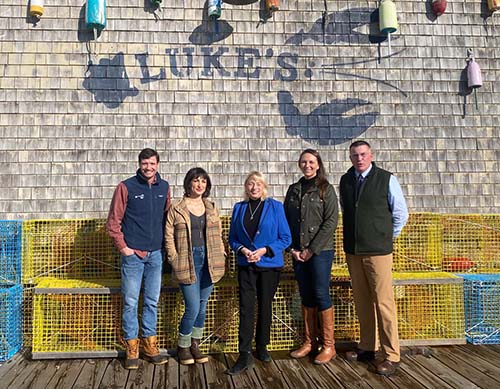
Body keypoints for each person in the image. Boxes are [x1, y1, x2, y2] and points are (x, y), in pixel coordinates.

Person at [339, 140, 408, 376]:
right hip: (354, 251)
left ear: (371, 155)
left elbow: (400, 214)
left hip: (378, 251)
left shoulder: (386, 178)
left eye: (363, 154)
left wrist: (384, 237)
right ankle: (368, 346)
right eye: (355, 155)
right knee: (362, 301)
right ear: (350, 158)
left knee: (384, 302)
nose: (359, 158)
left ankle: (391, 354)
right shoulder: (346, 181)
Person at [106, 148, 170, 369]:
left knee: (152, 301)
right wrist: (124, 248)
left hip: (155, 256)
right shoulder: (126, 187)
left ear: (158, 164)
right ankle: (131, 346)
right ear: (139, 164)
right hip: (133, 255)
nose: (148, 167)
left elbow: (167, 219)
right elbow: (113, 222)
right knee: (131, 302)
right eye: (145, 163)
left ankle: (149, 345)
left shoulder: (164, 188)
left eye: (152, 163)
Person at [226, 171, 291, 375]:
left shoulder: (276, 207)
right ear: (246, 187)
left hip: (269, 264)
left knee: (265, 305)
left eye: (258, 184)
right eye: (250, 184)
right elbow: (233, 238)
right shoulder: (239, 208)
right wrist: (243, 250)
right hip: (246, 264)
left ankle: (262, 346)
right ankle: (244, 353)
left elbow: (285, 238)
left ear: (264, 187)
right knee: (246, 308)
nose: (254, 187)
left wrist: (264, 250)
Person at [165, 167, 226, 365]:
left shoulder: (211, 207)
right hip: (187, 260)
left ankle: (195, 344)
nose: (199, 185)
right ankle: (182, 346)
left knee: (202, 306)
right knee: (191, 306)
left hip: (210, 260)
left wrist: (222, 250)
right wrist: (174, 257)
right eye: (196, 180)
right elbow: (168, 237)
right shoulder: (176, 208)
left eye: (203, 181)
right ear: (188, 183)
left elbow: (217, 231)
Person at [284, 149, 339, 365]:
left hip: (320, 252)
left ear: (318, 165)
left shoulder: (326, 189)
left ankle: (328, 345)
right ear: (299, 164)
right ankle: (309, 342)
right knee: (305, 294)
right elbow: (286, 221)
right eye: (304, 162)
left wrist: (311, 249)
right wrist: (292, 249)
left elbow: (331, 222)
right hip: (298, 252)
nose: (307, 165)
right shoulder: (293, 190)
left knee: (320, 293)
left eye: (311, 162)